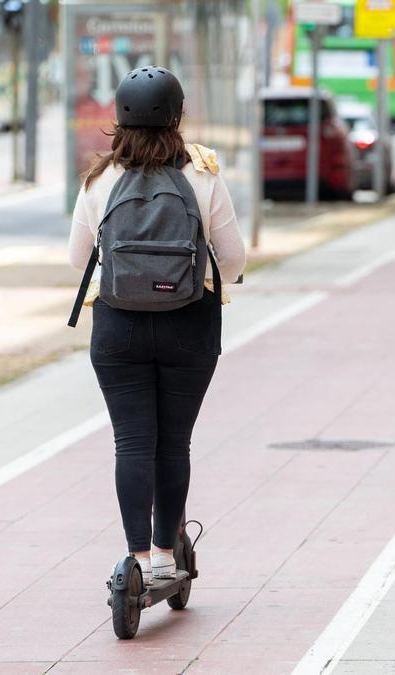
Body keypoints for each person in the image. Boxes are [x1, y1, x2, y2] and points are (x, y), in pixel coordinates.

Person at [68, 67, 246, 582]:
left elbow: (78, 258)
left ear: (118, 119)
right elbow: (231, 260)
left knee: (132, 441)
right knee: (174, 443)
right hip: (189, 326)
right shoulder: (203, 174)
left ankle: (137, 559)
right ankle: (168, 555)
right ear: (178, 117)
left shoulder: (99, 180)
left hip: (117, 328)